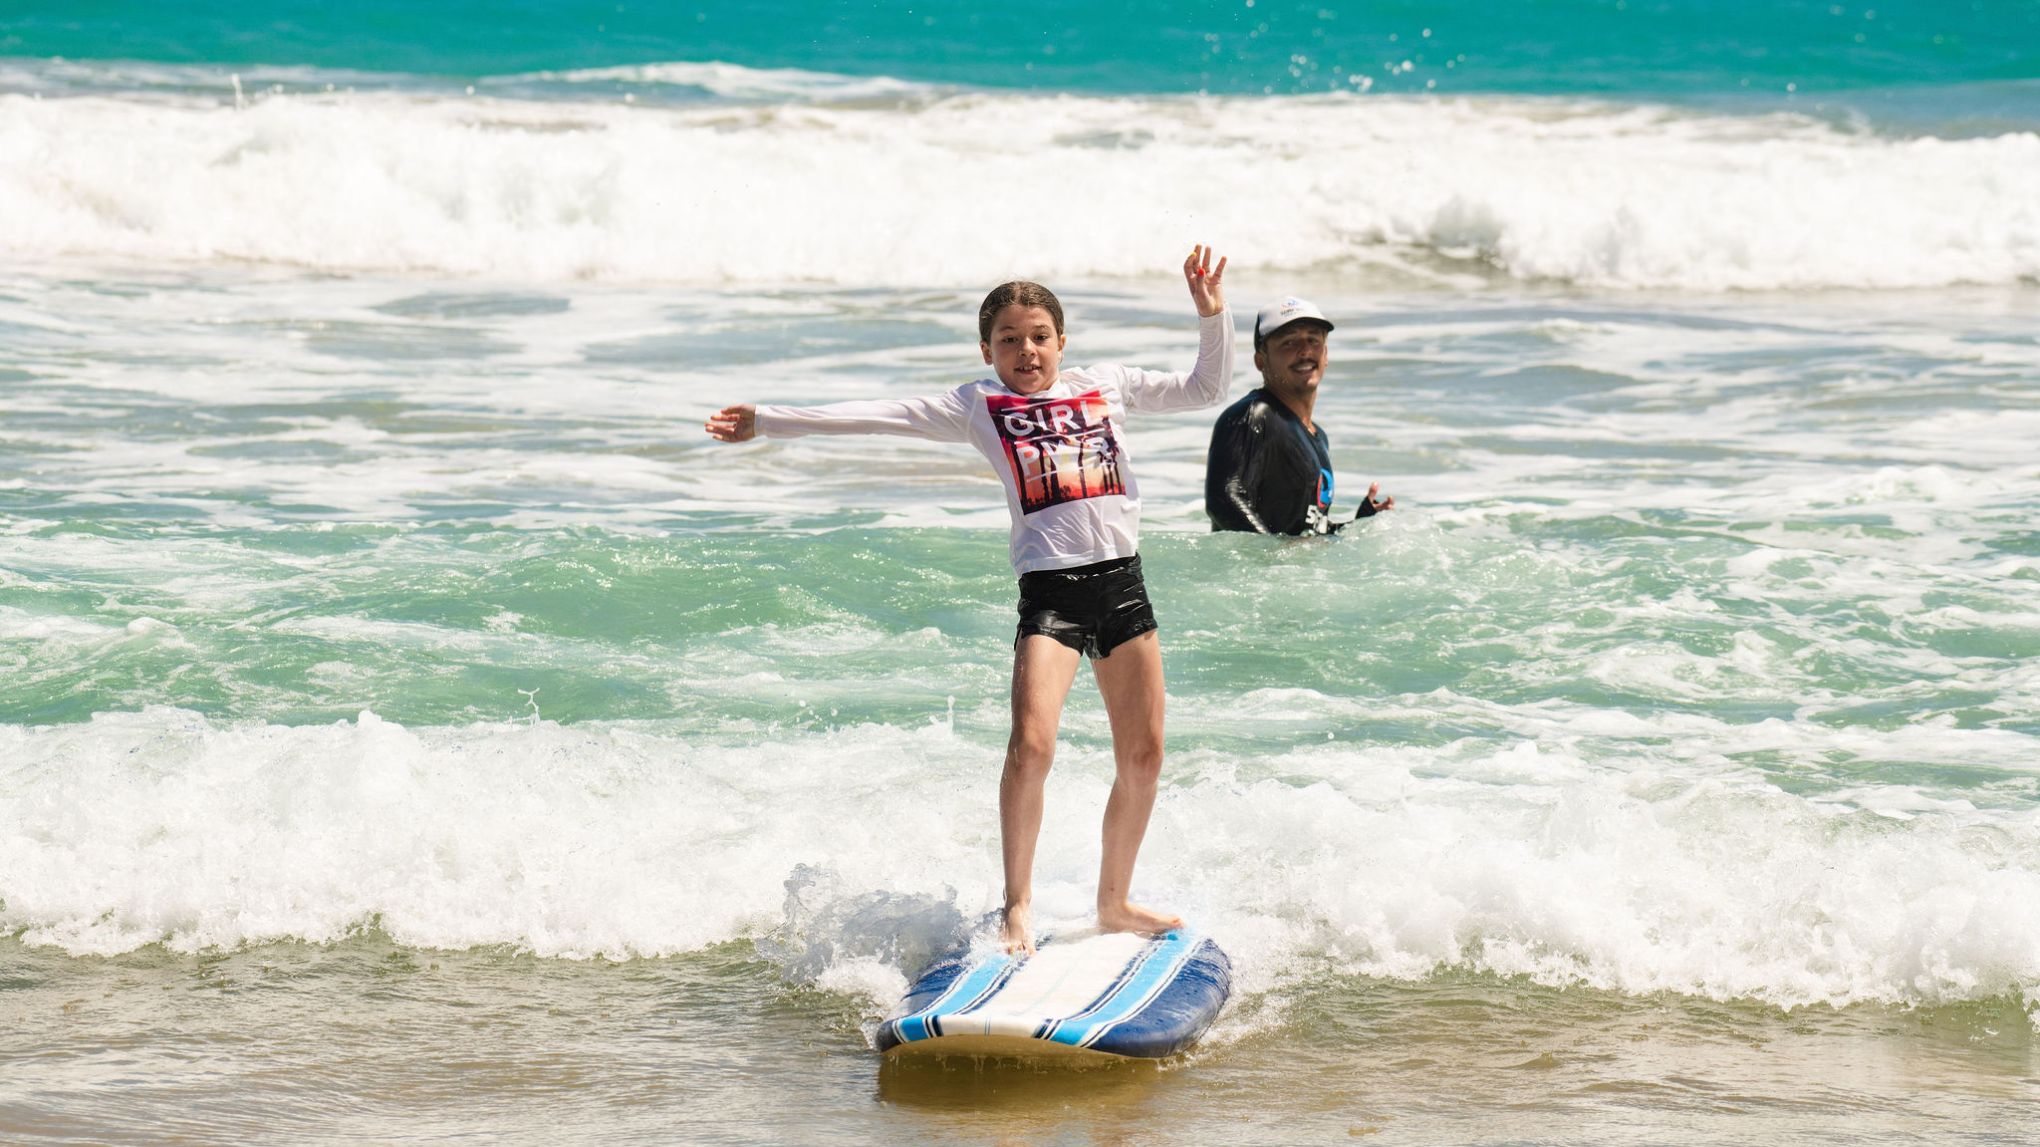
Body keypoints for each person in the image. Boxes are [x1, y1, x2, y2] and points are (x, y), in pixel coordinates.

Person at [704, 247, 1233, 953]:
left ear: (1062, 342)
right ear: (987, 349)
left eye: (1039, 335)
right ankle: (1019, 904)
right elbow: (874, 415)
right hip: (1050, 593)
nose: (1026, 350)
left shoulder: (1106, 383)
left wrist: (1212, 314)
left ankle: (1114, 900)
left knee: (1143, 756)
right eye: (1009, 339)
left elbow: (1205, 388)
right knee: (1031, 746)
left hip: (1123, 584)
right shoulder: (978, 405)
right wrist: (767, 420)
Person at [1205, 296, 1392, 535]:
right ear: (1261, 360)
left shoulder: (1318, 436)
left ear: (1325, 355)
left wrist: (1358, 525)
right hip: (1254, 571)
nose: (1305, 351)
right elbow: (1224, 501)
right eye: (1289, 342)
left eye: (1313, 340)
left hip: (1290, 572)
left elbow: (1306, 531)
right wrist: (1273, 557)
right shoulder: (1252, 416)